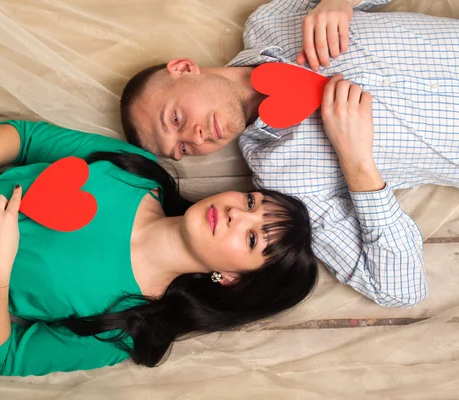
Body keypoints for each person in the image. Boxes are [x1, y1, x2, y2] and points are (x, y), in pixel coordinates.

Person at [0, 120, 317, 376]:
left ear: (233, 279)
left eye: (252, 238)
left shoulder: (128, 327)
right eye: (253, 202)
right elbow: (24, 136)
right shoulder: (139, 172)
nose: (238, 214)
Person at [120, 0, 459, 307]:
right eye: (181, 149)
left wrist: (339, 1)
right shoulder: (285, 177)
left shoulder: (272, 21)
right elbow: (401, 290)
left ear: (182, 68)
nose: (194, 138)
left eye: (176, 118)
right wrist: (358, 164)